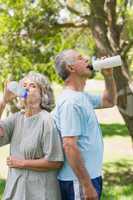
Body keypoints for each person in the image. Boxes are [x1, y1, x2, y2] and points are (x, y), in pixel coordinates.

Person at [52, 49, 117, 200]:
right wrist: (87, 185)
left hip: (88, 177)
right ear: (71, 68)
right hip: (78, 181)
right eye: (81, 58)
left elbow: (109, 101)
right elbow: (69, 145)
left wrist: (108, 76)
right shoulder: (71, 102)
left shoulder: (81, 96)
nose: (87, 59)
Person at [0, 71, 64, 200]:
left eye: (32, 85)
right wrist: (4, 101)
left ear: (43, 94)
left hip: (40, 193)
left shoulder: (47, 121)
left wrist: (22, 163)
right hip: (16, 192)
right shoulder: (17, 118)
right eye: (24, 85)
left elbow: (55, 162)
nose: (26, 88)